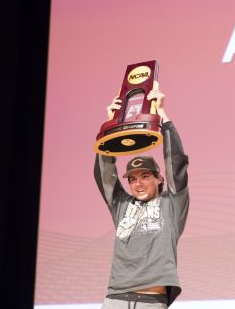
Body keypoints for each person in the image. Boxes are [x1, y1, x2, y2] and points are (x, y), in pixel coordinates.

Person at [94, 88, 189, 308]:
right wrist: (110, 124)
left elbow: (177, 163)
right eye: (133, 179)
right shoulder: (121, 205)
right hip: (114, 300)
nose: (138, 183)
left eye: (145, 176)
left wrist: (163, 115)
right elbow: (104, 174)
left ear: (159, 179)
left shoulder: (172, 204)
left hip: (151, 301)